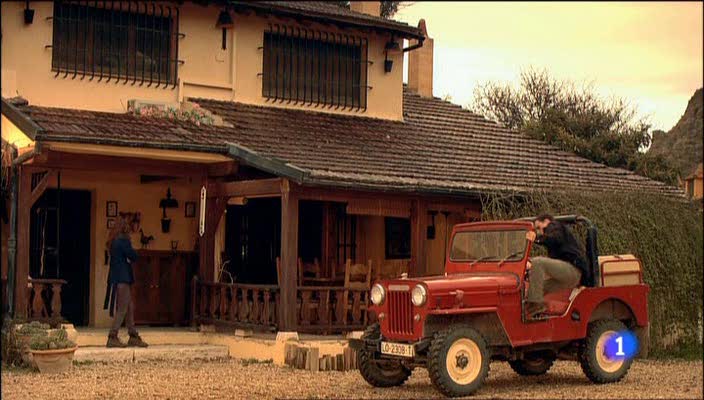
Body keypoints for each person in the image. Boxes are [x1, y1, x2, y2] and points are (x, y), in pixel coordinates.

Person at [525, 214, 589, 318]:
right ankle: (528, 310)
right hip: (569, 275)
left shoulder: (554, 226)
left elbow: (555, 239)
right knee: (534, 289)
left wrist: (537, 238)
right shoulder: (556, 236)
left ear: (546, 221)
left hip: (573, 270)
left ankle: (536, 305)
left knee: (538, 262)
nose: (538, 231)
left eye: (538, 227)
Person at [104, 217, 148, 348]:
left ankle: (132, 335)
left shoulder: (113, 242)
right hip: (123, 278)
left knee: (129, 307)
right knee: (123, 308)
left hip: (117, 278)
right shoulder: (123, 241)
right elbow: (133, 256)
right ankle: (112, 336)